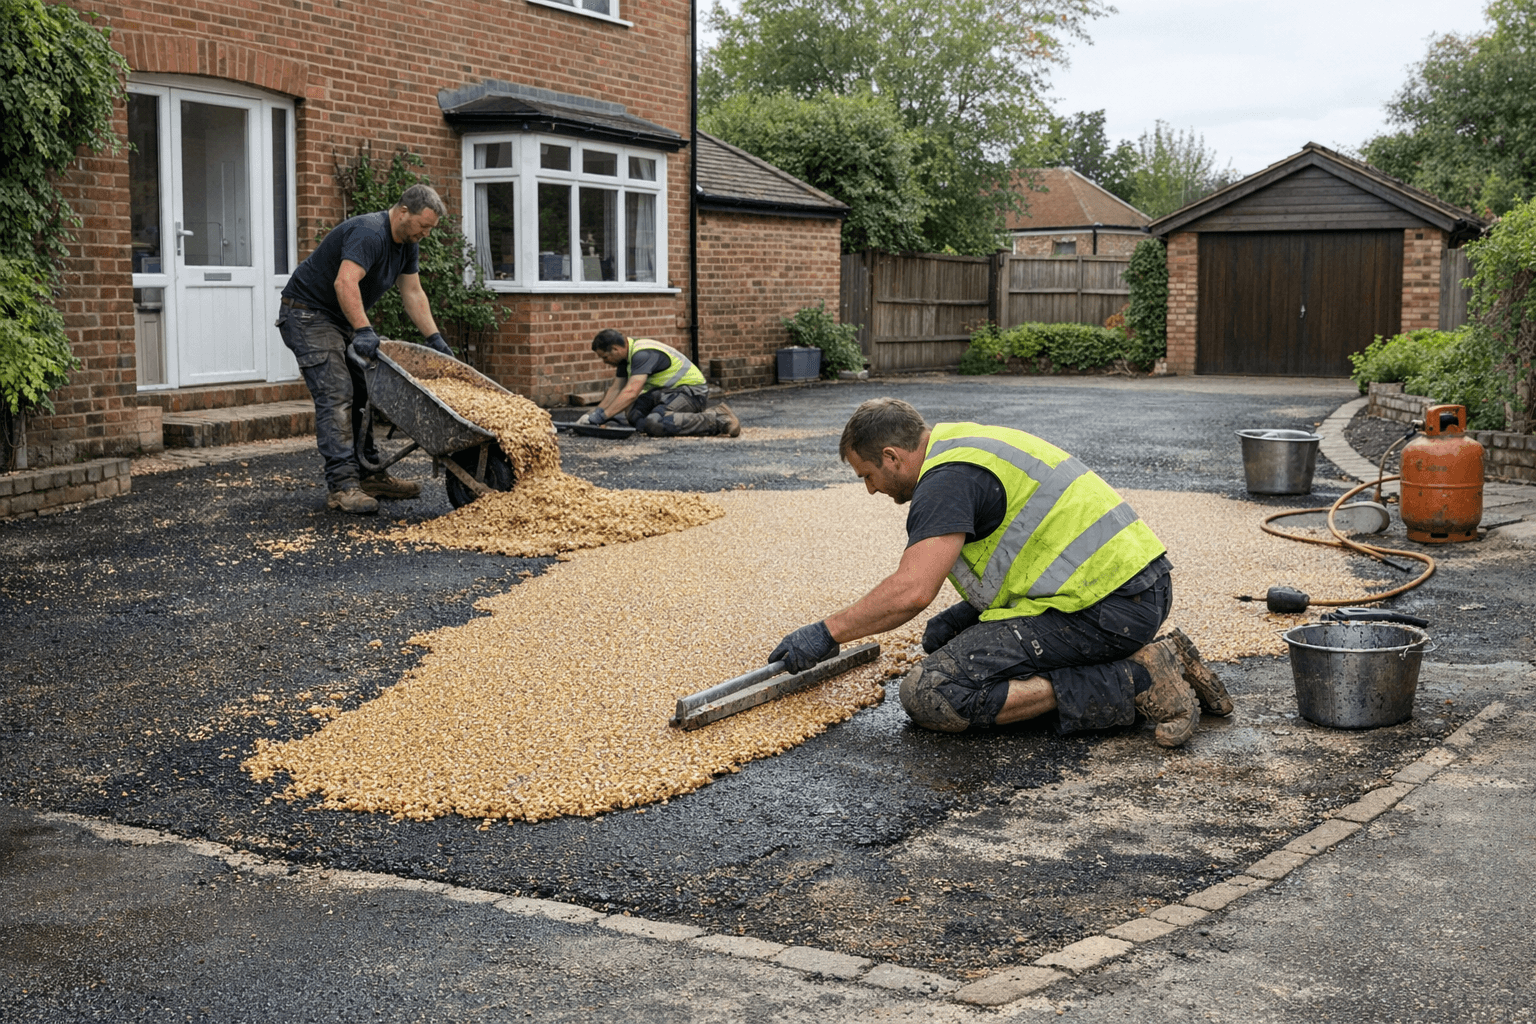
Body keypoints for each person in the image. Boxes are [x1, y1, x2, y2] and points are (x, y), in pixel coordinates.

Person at [767, 398, 1233, 749]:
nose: (870, 489)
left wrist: (827, 632)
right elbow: (1027, 545)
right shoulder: (965, 445)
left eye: (867, 475)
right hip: (1133, 589)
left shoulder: (945, 481)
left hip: (1107, 610)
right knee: (943, 639)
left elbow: (912, 590)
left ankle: (1135, 677)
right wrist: (969, 612)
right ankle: (1163, 653)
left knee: (933, 693)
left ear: (892, 456)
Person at [277, 184, 457, 515]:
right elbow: (345, 282)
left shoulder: (407, 242)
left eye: (430, 229)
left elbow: (413, 292)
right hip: (306, 313)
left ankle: (369, 473)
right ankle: (343, 486)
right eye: (424, 226)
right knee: (337, 393)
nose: (426, 234)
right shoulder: (369, 232)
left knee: (367, 389)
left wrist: (435, 339)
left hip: (337, 318)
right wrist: (363, 329)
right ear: (404, 212)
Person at [579, 329, 740, 437]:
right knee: (634, 414)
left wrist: (603, 417)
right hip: (667, 394)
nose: (604, 362)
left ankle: (718, 418)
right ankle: (674, 420)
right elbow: (615, 390)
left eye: (604, 357)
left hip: (690, 393)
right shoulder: (625, 357)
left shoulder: (642, 354)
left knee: (654, 422)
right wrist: (592, 415)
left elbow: (631, 392)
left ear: (615, 349)